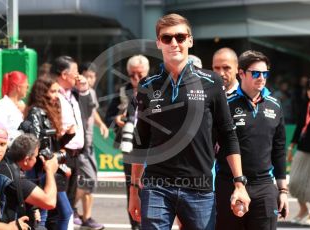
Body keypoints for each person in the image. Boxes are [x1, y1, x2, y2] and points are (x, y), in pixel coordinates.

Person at [128, 13, 250, 230]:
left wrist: (239, 183)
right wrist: (134, 190)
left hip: (199, 187)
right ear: (158, 43)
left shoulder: (211, 82)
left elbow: (228, 134)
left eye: (180, 37)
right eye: (167, 38)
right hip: (157, 186)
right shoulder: (147, 85)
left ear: (190, 41)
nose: (174, 43)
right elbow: (140, 140)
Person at [215, 50, 289, 230]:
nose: (261, 78)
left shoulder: (275, 105)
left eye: (265, 74)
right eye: (255, 73)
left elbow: (279, 151)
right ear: (241, 74)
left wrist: (283, 191)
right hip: (229, 185)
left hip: (264, 187)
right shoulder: (226, 104)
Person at [20, 76, 75, 229]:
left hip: (47, 167)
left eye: (57, 91)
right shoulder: (36, 112)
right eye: (52, 91)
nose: (56, 95)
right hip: (41, 169)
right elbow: (36, 143)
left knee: (60, 213)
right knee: (47, 215)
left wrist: (69, 135)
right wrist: (58, 163)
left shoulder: (46, 111)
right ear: (41, 93)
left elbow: (51, 144)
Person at [105, 55, 150, 230]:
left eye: (140, 74)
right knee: (131, 185)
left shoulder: (157, 88)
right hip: (129, 146)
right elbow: (108, 116)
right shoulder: (122, 91)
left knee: (152, 186)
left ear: (147, 72)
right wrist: (117, 119)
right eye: (132, 75)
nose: (137, 79)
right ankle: (135, 225)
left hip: (153, 146)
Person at [49, 55, 84, 228]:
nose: (78, 76)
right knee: (59, 208)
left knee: (69, 204)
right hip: (62, 153)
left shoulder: (73, 94)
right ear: (64, 74)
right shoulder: (54, 96)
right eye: (75, 72)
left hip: (75, 154)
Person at [0, 133, 59, 228]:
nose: (37, 159)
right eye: (36, 156)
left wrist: (33, 207)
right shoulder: (16, 180)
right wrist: (50, 170)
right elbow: (50, 202)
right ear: (26, 159)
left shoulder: (0, 162)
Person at [73, 63, 108, 229]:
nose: (89, 79)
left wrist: (102, 125)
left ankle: (87, 217)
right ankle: (70, 207)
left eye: (92, 76)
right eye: (86, 76)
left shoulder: (91, 92)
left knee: (90, 182)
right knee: (89, 180)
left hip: (88, 144)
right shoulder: (77, 93)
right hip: (80, 145)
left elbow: (92, 113)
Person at [288, 76, 310, 226]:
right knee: (295, 182)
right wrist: (291, 146)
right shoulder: (304, 105)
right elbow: (299, 127)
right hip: (302, 149)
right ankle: (303, 209)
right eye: (309, 88)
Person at [0, 71, 29, 143]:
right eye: (27, 86)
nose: (28, 89)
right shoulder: (1, 107)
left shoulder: (22, 105)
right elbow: (0, 134)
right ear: (18, 87)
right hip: (10, 151)